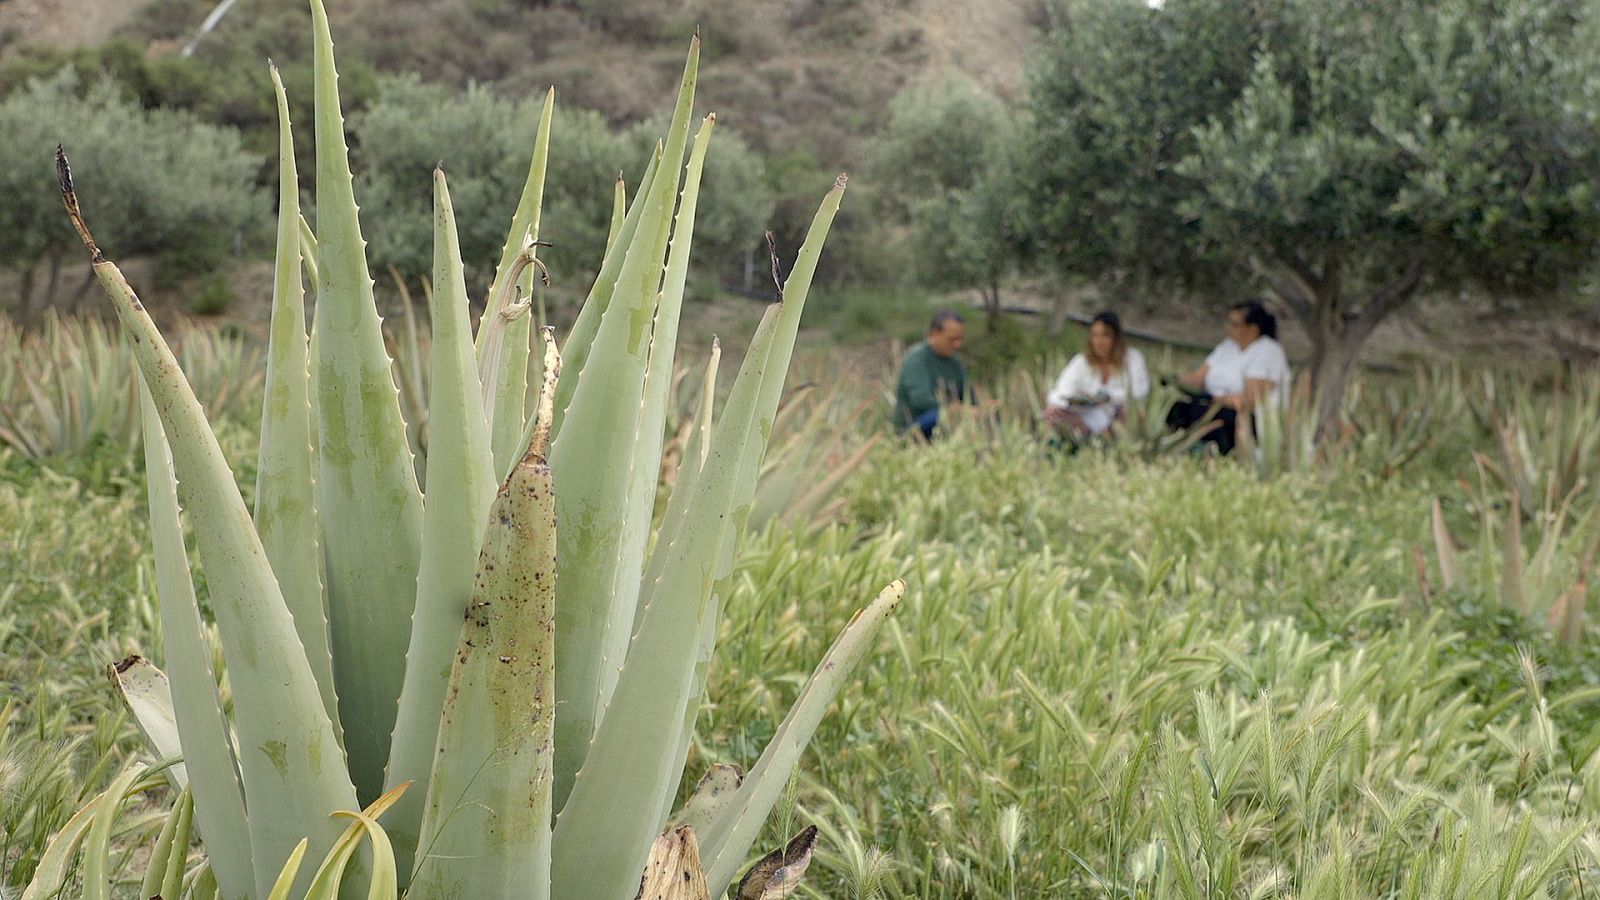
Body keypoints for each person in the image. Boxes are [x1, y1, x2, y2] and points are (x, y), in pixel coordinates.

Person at [1165, 300, 1291, 455]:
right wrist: (1172, 381)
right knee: (1176, 408)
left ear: (1253, 329)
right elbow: (1198, 378)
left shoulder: (1268, 351)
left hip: (1249, 419)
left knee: (1204, 414)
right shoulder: (1227, 347)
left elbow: (1248, 401)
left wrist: (1216, 399)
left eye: (1235, 324)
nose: (1229, 328)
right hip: (1214, 405)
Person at [1044, 311, 1149, 438]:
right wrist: (1079, 400)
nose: (1099, 342)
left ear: (1116, 337)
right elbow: (1060, 392)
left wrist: (1108, 398)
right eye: (1095, 335)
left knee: (1123, 413)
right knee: (1053, 412)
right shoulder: (1081, 362)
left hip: (1115, 416)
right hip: (1083, 414)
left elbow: (1139, 392)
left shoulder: (1132, 359)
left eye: (1105, 335)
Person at [894, 310, 972, 439]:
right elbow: (922, 401)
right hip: (915, 425)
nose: (957, 344)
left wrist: (981, 408)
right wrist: (957, 410)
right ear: (934, 334)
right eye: (952, 339)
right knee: (939, 415)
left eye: (960, 339)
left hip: (950, 420)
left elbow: (968, 394)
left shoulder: (955, 362)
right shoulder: (917, 358)